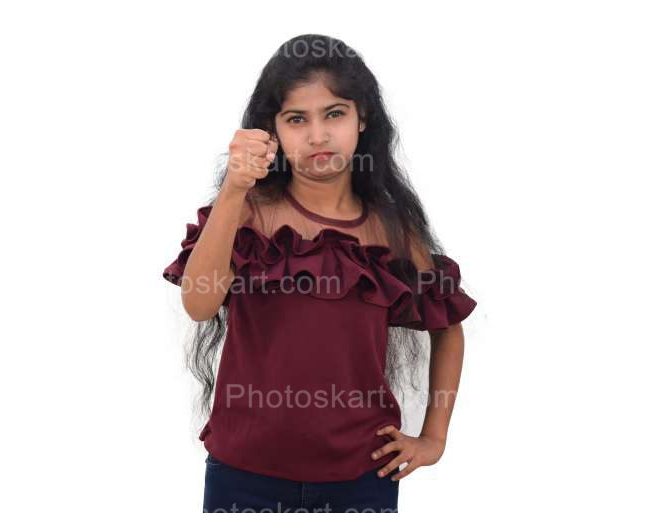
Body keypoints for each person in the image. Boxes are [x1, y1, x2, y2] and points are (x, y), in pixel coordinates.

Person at [162, 34, 478, 513]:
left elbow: (448, 327)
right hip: (244, 474)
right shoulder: (249, 214)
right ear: (272, 132)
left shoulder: (391, 229)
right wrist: (233, 188)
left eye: (334, 114)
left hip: (360, 477)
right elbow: (199, 304)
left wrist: (434, 437)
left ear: (362, 119)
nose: (317, 136)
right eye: (296, 119)